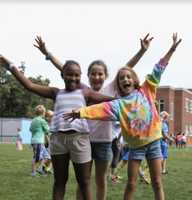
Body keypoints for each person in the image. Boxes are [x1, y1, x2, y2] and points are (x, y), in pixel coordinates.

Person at [34, 33, 153, 200]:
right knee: (84, 181)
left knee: (101, 181)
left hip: (104, 143)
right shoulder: (83, 90)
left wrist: (142, 51)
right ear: (87, 76)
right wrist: (47, 53)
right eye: (93, 74)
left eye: (100, 74)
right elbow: (64, 69)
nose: (97, 77)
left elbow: (126, 68)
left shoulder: (111, 89)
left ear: (105, 76)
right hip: (85, 142)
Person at [63, 33, 182, 200]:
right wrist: (79, 112)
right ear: (118, 85)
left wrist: (171, 49)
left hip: (154, 143)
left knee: (157, 182)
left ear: (134, 80)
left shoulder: (147, 89)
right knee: (131, 184)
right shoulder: (118, 104)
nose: (125, 79)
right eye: (121, 79)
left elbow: (159, 68)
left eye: (128, 77)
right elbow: (98, 109)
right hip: (135, 147)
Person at [0, 55, 116, 200]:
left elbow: (112, 101)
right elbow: (29, 86)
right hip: (58, 141)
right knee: (60, 182)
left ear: (80, 76)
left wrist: (134, 98)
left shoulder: (85, 93)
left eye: (76, 75)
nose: (73, 78)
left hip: (79, 139)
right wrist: (10, 66)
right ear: (62, 75)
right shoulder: (56, 92)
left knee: (84, 182)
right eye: (69, 74)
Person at [29, 105, 50, 176]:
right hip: (39, 142)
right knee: (37, 158)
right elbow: (48, 130)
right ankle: (33, 172)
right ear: (43, 113)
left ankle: (40, 169)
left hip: (35, 141)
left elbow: (31, 129)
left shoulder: (33, 120)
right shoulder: (42, 121)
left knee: (47, 157)